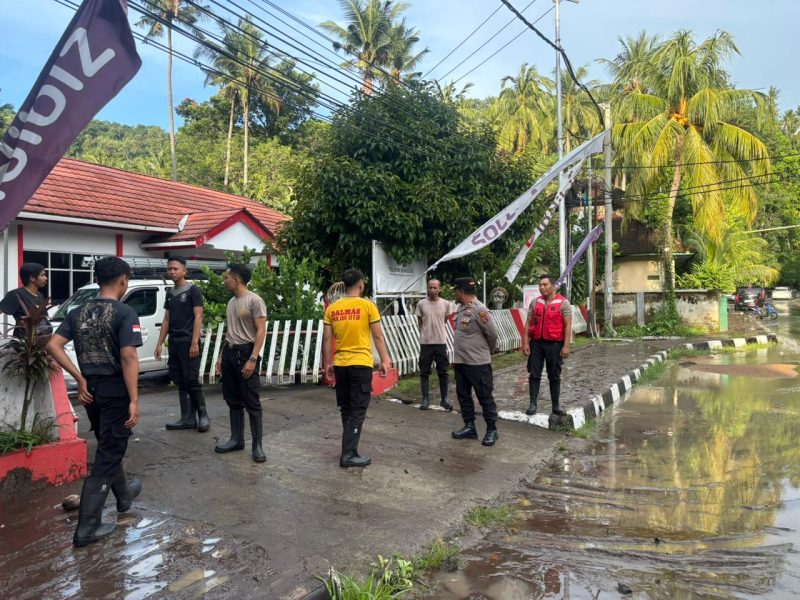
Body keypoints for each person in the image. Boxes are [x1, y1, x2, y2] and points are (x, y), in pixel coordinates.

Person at [47, 256, 142, 547]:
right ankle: (87, 527)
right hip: (115, 391)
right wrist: (134, 399)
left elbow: (53, 344)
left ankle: (124, 496)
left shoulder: (78, 312)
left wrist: (79, 375)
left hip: (91, 391)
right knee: (108, 456)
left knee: (108, 445)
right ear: (123, 280)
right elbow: (128, 357)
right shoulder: (125, 313)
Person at [322, 268, 391, 468]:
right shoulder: (367, 306)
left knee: (346, 408)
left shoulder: (332, 308)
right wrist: (385, 360)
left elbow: (327, 338)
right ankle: (349, 454)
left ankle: (350, 449)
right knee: (358, 410)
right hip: (360, 364)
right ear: (361, 285)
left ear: (344, 285)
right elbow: (377, 336)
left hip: (341, 364)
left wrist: (328, 364)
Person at [214, 263, 268, 463]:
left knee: (251, 400)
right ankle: (236, 439)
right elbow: (231, 332)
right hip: (230, 353)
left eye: (227, 277)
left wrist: (253, 359)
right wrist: (221, 356)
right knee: (232, 399)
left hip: (247, 353)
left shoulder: (255, 300)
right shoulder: (231, 302)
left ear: (236, 279)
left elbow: (261, 331)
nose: (225, 280)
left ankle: (257, 445)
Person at [154, 256, 209, 433]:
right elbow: (166, 320)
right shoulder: (170, 293)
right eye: (169, 268)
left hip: (188, 342)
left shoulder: (194, 291)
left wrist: (194, 342)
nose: (172, 271)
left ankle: (203, 416)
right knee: (180, 381)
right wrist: (160, 343)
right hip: (175, 343)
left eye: (175, 268)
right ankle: (187, 418)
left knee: (192, 380)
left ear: (184, 271)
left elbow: (199, 316)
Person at [450, 276, 500, 447]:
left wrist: (488, 352)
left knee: (484, 396)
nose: (454, 294)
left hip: (478, 363)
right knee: (463, 395)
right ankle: (469, 426)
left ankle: (492, 429)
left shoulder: (480, 310)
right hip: (462, 362)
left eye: (455, 291)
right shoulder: (462, 308)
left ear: (461, 291)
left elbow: (492, 334)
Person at [521, 274, 572, 417]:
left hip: (555, 344)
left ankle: (556, 406)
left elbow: (568, 326)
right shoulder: (535, 302)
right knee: (534, 374)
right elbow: (528, 324)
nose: (541, 287)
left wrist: (566, 346)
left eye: (545, 285)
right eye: (540, 285)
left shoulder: (563, 303)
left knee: (554, 375)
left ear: (553, 286)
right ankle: (532, 404)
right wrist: (525, 342)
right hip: (536, 344)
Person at [414, 279, 455, 411]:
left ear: (439, 289)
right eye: (430, 287)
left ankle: (444, 399)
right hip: (426, 343)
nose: (432, 290)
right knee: (424, 372)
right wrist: (425, 333)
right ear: (427, 289)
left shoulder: (446, 304)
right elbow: (420, 321)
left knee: (443, 372)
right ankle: (425, 399)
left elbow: (445, 319)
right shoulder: (421, 304)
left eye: (435, 288)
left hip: (440, 343)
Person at [0, 262, 50, 338]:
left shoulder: (40, 296)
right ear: (32, 278)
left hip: (41, 342)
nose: (46, 278)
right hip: (24, 344)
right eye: (42, 275)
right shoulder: (15, 295)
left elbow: (43, 319)